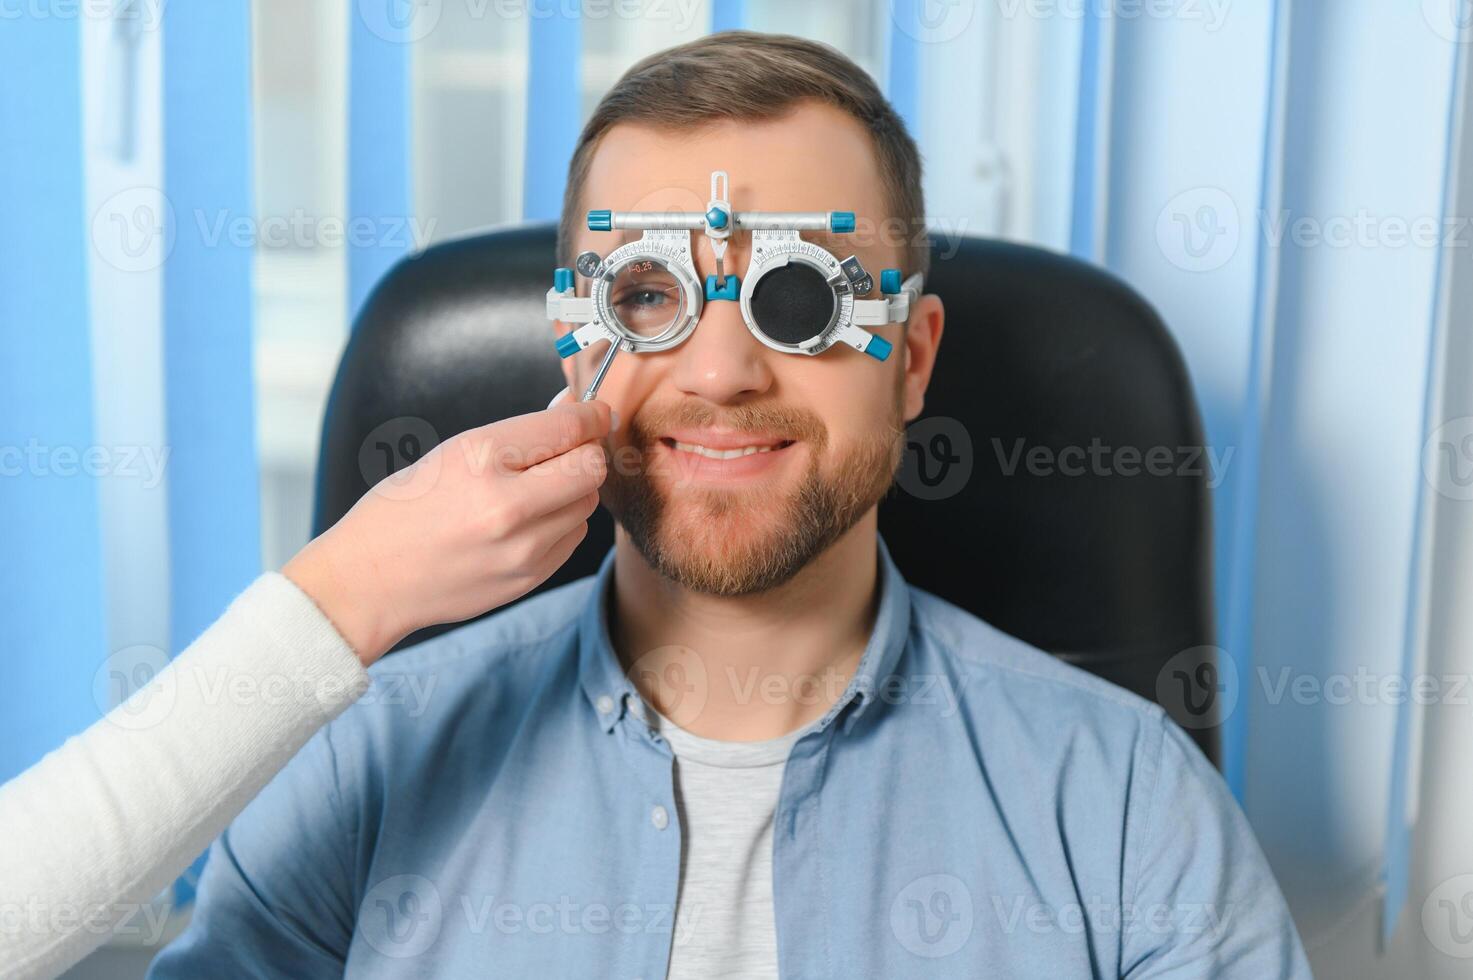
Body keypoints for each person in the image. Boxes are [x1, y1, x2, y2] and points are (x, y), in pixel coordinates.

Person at [149, 32, 1311, 979]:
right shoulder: (371, 756)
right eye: (646, 292)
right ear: (572, 340)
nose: (719, 374)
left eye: (797, 293)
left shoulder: (1124, 807)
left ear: (911, 358)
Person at [0, 400, 613, 980]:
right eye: (647, 295)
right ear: (570, 327)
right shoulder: (354, 756)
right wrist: (359, 581)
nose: (714, 375)